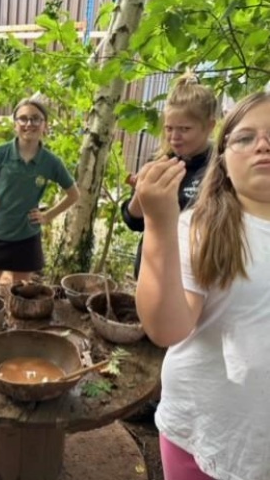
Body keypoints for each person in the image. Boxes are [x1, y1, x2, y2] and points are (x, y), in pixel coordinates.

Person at [135, 90, 270, 480]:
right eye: (246, 137)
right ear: (224, 158)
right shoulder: (202, 228)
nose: (263, 145)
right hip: (202, 428)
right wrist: (158, 220)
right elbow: (167, 329)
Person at [121, 72, 217, 279]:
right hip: (150, 270)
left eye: (184, 129)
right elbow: (134, 222)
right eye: (169, 128)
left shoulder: (219, 168)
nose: (174, 137)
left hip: (192, 273)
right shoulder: (160, 160)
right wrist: (141, 192)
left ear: (210, 126)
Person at [0, 98, 79, 283]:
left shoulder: (51, 162)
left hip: (27, 235)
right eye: (23, 118)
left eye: (35, 118)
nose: (29, 123)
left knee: (20, 293)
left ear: (45, 125)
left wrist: (47, 216)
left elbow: (74, 194)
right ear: (15, 124)